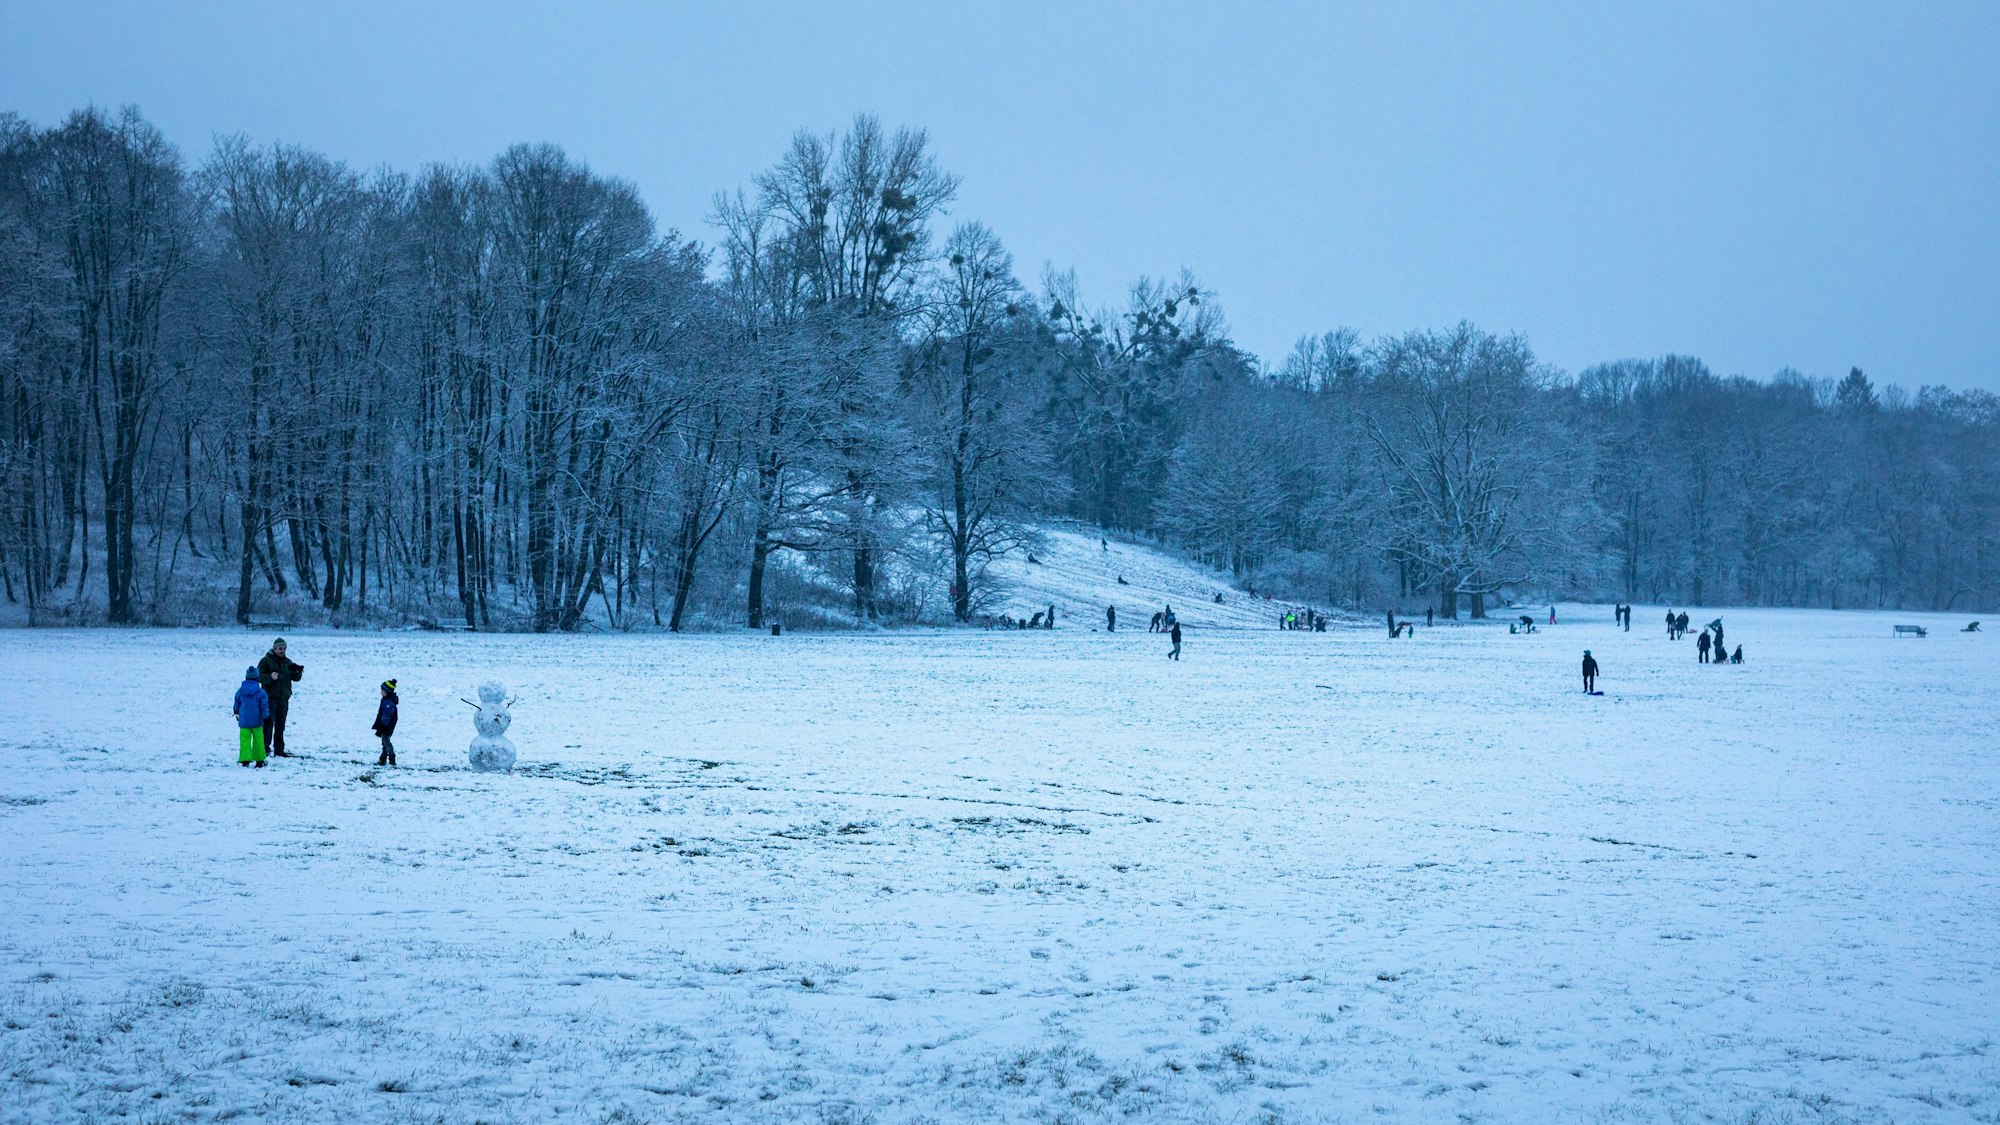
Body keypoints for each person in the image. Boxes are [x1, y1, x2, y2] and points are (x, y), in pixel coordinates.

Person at [257, 638, 303, 757]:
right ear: (274, 648)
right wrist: (270, 677)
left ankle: (279, 750)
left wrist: (298, 672)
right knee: (268, 725)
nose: (282, 651)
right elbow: (258, 677)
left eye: (284, 649)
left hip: (284, 699)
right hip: (269, 698)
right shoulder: (265, 661)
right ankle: (264, 749)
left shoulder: (287, 662)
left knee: (280, 726)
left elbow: (295, 678)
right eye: (280, 649)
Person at [233, 667, 269, 768]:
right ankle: (259, 760)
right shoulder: (261, 692)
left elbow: (237, 703)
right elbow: (264, 705)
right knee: (258, 740)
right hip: (257, 721)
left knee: (244, 740)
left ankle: (245, 759)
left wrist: (236, 712)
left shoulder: (240, 691)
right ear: (257, 678)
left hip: (244, 721)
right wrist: (266, 716)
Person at [372, 679, 400, 766]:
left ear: (386, 691)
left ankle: (391, 757)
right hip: (386, 725)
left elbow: (387, 715)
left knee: (386, 741)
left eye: (382, 690)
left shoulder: (388, 703)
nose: (381, 692)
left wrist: (383, 725)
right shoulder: (386, 700)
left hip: (387, 725)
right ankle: (383, 758)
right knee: (384, 741)